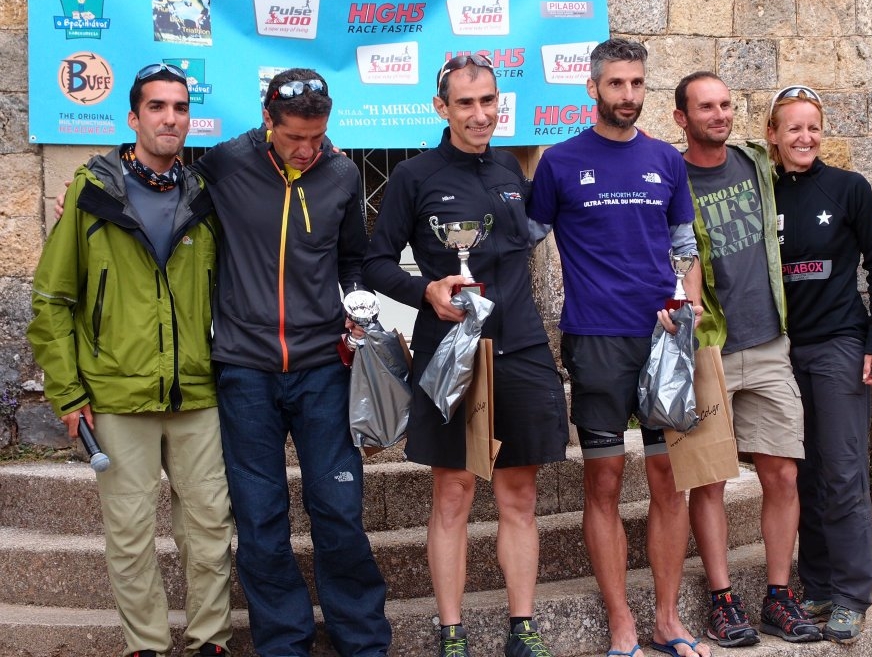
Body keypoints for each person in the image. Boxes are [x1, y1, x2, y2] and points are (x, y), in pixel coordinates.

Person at [362, 53, 569, 657]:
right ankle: (451, 632)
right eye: (466, 103)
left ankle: (522, 628)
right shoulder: (414, 176)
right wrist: (425, 291)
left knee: (519, 495)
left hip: (520, 346)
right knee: (453, 492)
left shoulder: (511, 169)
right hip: (449, 350)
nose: (480, 114)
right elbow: (376, 263)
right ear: (441, 108)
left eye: (488, 101)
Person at [28, 63, 232, 657]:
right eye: (157, 107)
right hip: (115, 395)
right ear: (133, 118)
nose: (170, 118)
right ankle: (145, 646)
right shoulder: (91, 195)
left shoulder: (206, 197)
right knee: (130, 534)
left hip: (196, 393)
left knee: (210, 529)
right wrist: (67, 392)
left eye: (180, 107)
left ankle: (210, 642)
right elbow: (52, 299)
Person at [191, 69, 391, 657]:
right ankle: (282, 642)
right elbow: (162, 193)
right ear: (267, 120)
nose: (307, 150)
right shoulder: (226, 163)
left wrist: (357, 304)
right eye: (295, 138)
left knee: (338, 508)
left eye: (317, 137)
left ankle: (362, 639)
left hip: (322, 366)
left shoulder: (342, 173)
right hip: (245, 369)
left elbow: (352, 258)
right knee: (259, 517)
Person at [527, 38, 709, 657]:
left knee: (669, 481)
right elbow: (525, 239)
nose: (628, 95)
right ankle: (621, 622)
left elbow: (685, 248)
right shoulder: (559, 162)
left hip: (663, 341)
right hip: (595, 339)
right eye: (616, 84)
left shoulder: (665, 160)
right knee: (603, 482)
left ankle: (666, 618)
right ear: (593, 88)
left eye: (636, 83)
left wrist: (690, 305)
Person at [672, 72, 821, 646]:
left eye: (726, 105)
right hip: (707, 347)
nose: (719, 115)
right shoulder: (670, 176)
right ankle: (723, 600)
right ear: (682, 118)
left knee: (782, 472)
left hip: (768, 344)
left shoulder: (756, 161)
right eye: (706, 107)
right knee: (709, 480)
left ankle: (779, 596)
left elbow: (800, 145)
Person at [768, 85, 872, 644]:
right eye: (793, 128)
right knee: (804, 472)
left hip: (840, 345)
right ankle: (817, 586)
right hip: (780, 352)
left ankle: (850, 594)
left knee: (843, 471)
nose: (805, 137)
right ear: (773, 135)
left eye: (813, 127)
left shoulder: (848, 188)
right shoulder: (763, 193)